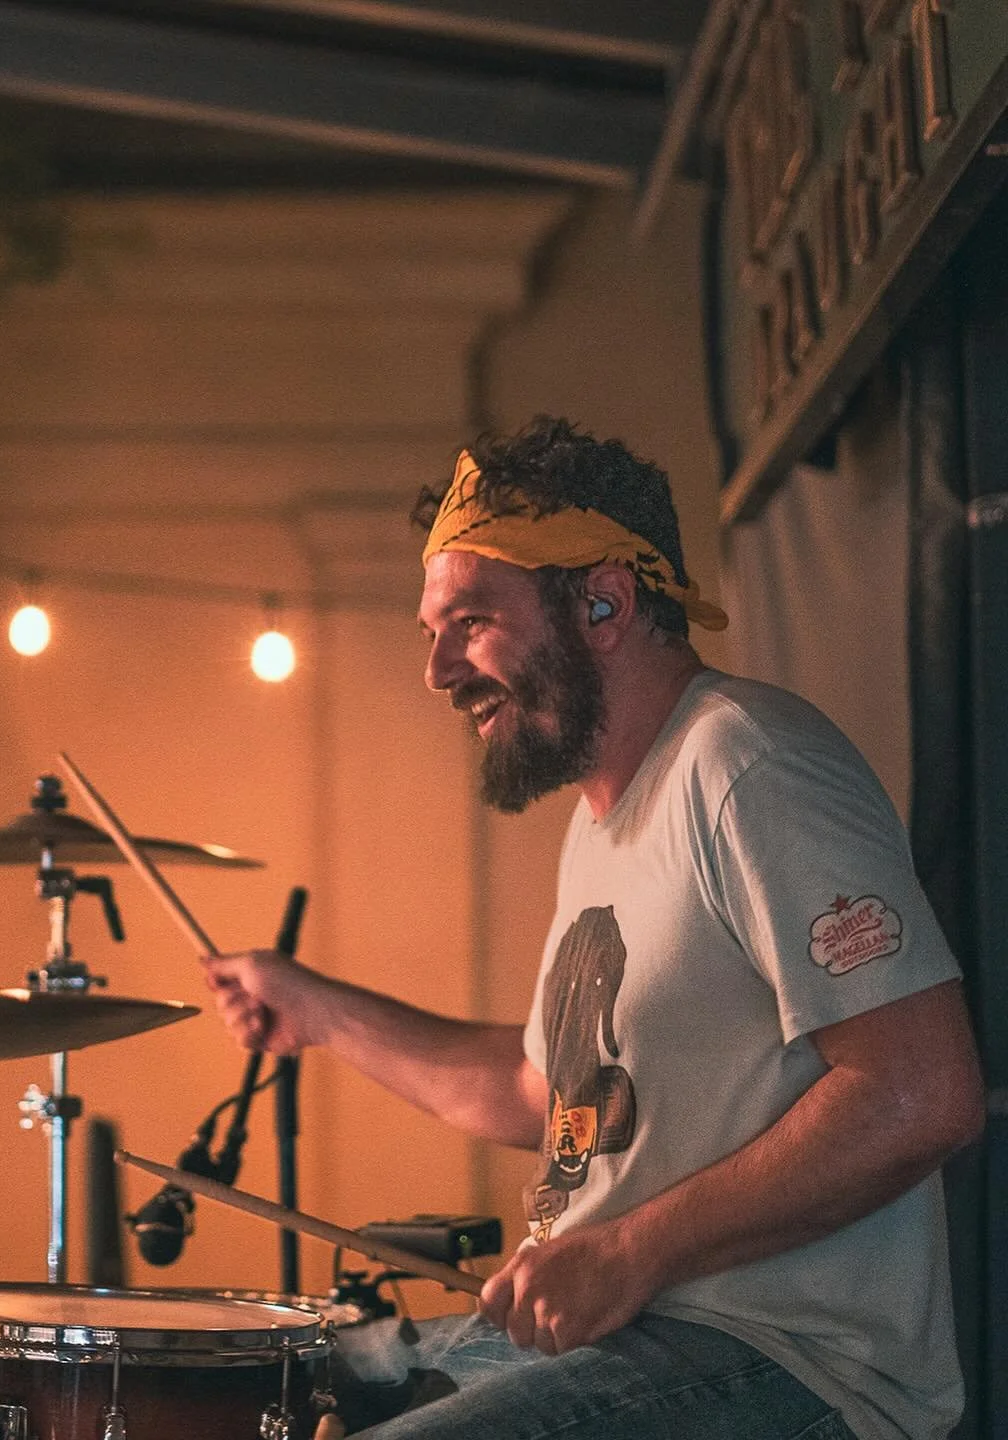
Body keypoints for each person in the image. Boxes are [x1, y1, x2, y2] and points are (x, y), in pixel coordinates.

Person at [202, 419, 984, 1440]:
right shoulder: (604, 821)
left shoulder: (746, 766)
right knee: (268, 1384)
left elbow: (921, 1091)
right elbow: (544, 1092)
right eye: (432, 632)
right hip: (630, 1342)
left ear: (604, 603)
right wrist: (318, 1009)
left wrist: (627, 1252)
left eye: (471, 621)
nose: (439, 670)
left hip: (791, 1363)